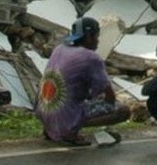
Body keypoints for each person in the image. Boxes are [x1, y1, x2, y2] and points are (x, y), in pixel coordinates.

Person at [35, 17, 130, 146]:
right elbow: (110, 96)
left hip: (43, 110)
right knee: (123, 111)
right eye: (97, 36)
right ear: (89, 37)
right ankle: (69, 131)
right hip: (63, 115)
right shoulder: (91, 57)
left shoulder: (59, 49)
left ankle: (50, 128)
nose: (98, 41)